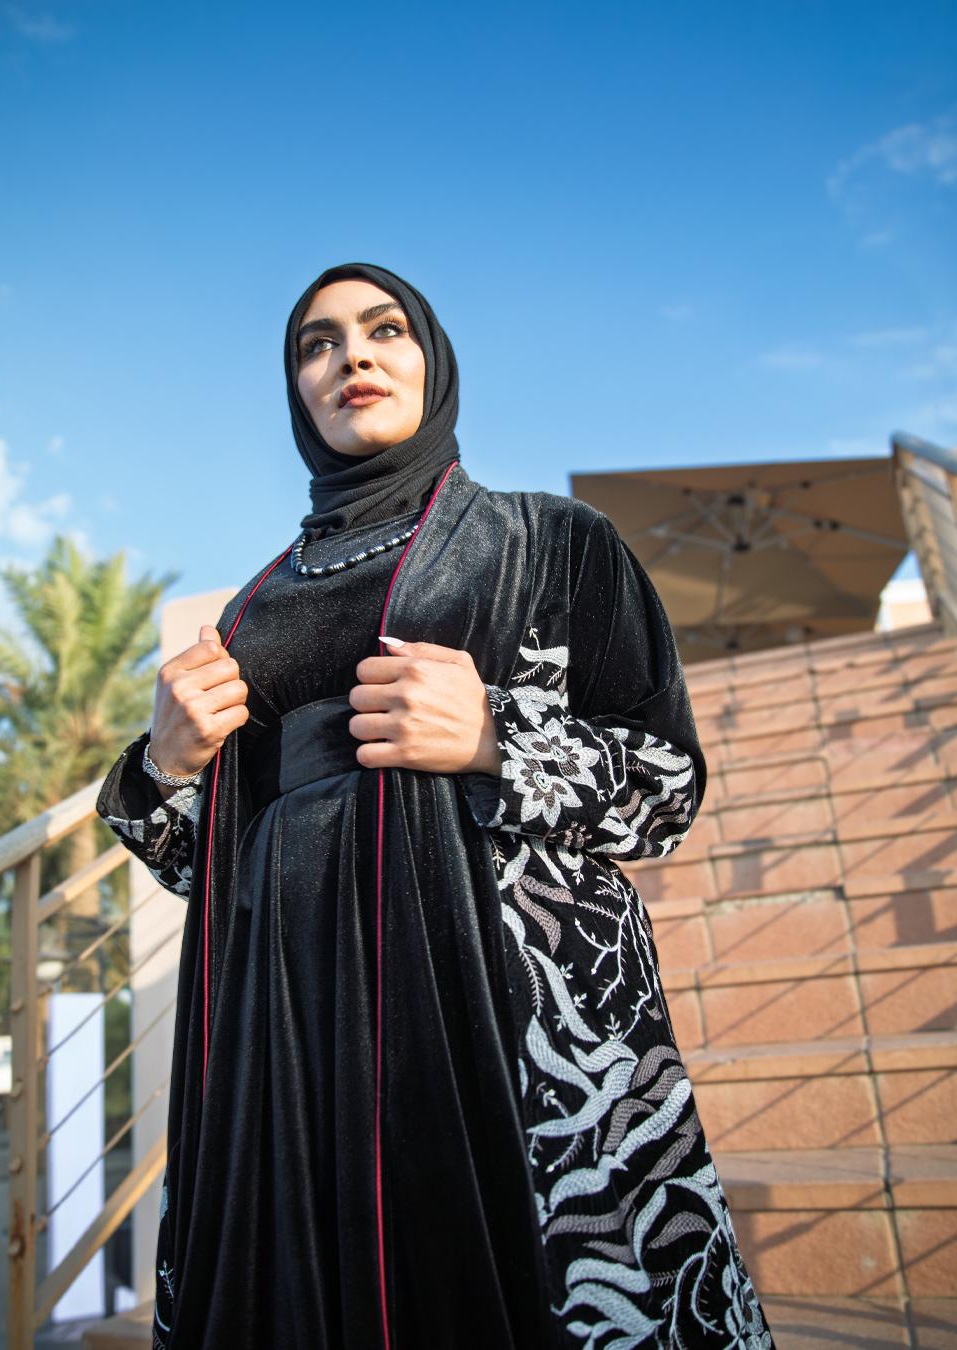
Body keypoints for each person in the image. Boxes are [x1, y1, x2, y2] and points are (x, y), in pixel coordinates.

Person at [96, 262, 772, 1349]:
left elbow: (667, 789)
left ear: (432, 360)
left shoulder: (554, 542)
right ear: (297, 389)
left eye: (384, 329)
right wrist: (166, 765)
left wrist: (499, 737)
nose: (351, 356)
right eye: (316, 344)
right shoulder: (250, 607)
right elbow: (201, 866)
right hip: (292, 1040)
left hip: (503, 1036)